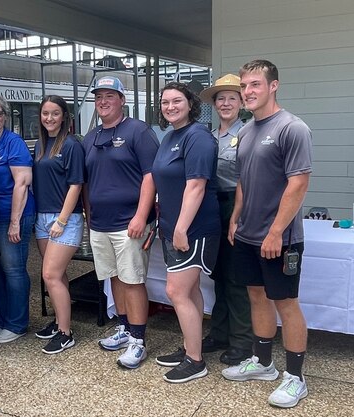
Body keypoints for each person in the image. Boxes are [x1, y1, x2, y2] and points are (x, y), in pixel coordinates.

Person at [221, 60, 312, 409]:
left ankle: (295, 378)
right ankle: (262, 363)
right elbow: (244, 180)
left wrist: (275, 232)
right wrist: (236, 218)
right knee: (256, 296)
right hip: (247, 234)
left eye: (255, 84)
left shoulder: (292, 128)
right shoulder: (245, 131)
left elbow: (298, 183)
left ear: (273, 86)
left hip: (281, 238)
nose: (248, 92)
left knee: (285, 303)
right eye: (245, 85)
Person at [83, 76, 158, 370]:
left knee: (133, 279)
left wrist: (141, 216)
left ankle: (138, 340)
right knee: (114, 276)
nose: (103, 101)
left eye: (110, 96)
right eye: (99, 96)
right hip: (100, 223)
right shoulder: (90, 137)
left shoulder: (139, 131)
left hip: (130, 223)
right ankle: (125, 329)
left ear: (122, 100)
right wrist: (89, 216)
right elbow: (86, 182)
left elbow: (150, 176)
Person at [151, 82, 220, 383]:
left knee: (175, 291)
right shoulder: (170, 136)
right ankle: (191, 347)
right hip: (171, 227)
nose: (170, 107)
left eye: (176, 101)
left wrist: (181, 228)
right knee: (190, 291)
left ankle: (195, 361)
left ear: (191, 104)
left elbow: (196, 185)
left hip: (193, 229)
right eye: (165, 102)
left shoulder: (198, 137)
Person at [198, 74, 253, 366]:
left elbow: (248, 178)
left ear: (242, 102)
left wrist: (237, 215)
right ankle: (220, 332)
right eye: (221, 98)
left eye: (232, 97)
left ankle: (243, 341)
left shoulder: (248, 133)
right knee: (218, 274)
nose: (226, 103)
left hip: (237, 204)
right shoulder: (208, 136)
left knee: (236, 278)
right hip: (211, 204)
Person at [0, 94, 35, 345]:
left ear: (5, 116)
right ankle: (2, 319)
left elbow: (22, 183)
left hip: (12, 214)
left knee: (13, 269)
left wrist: (15, 222)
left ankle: (17, 323)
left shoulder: (14, 143)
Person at [32, 96, 84, 354]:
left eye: (55, 114)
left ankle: (66, 333)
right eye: (45, 114)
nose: (49, 118)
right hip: (42, 218)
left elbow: (76, 185)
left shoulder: (72, 145)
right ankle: (59, 321)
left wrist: (62, 220)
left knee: (50, 275)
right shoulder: (41, 145)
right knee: (57, 275)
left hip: (65, 219)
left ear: (64, 116)